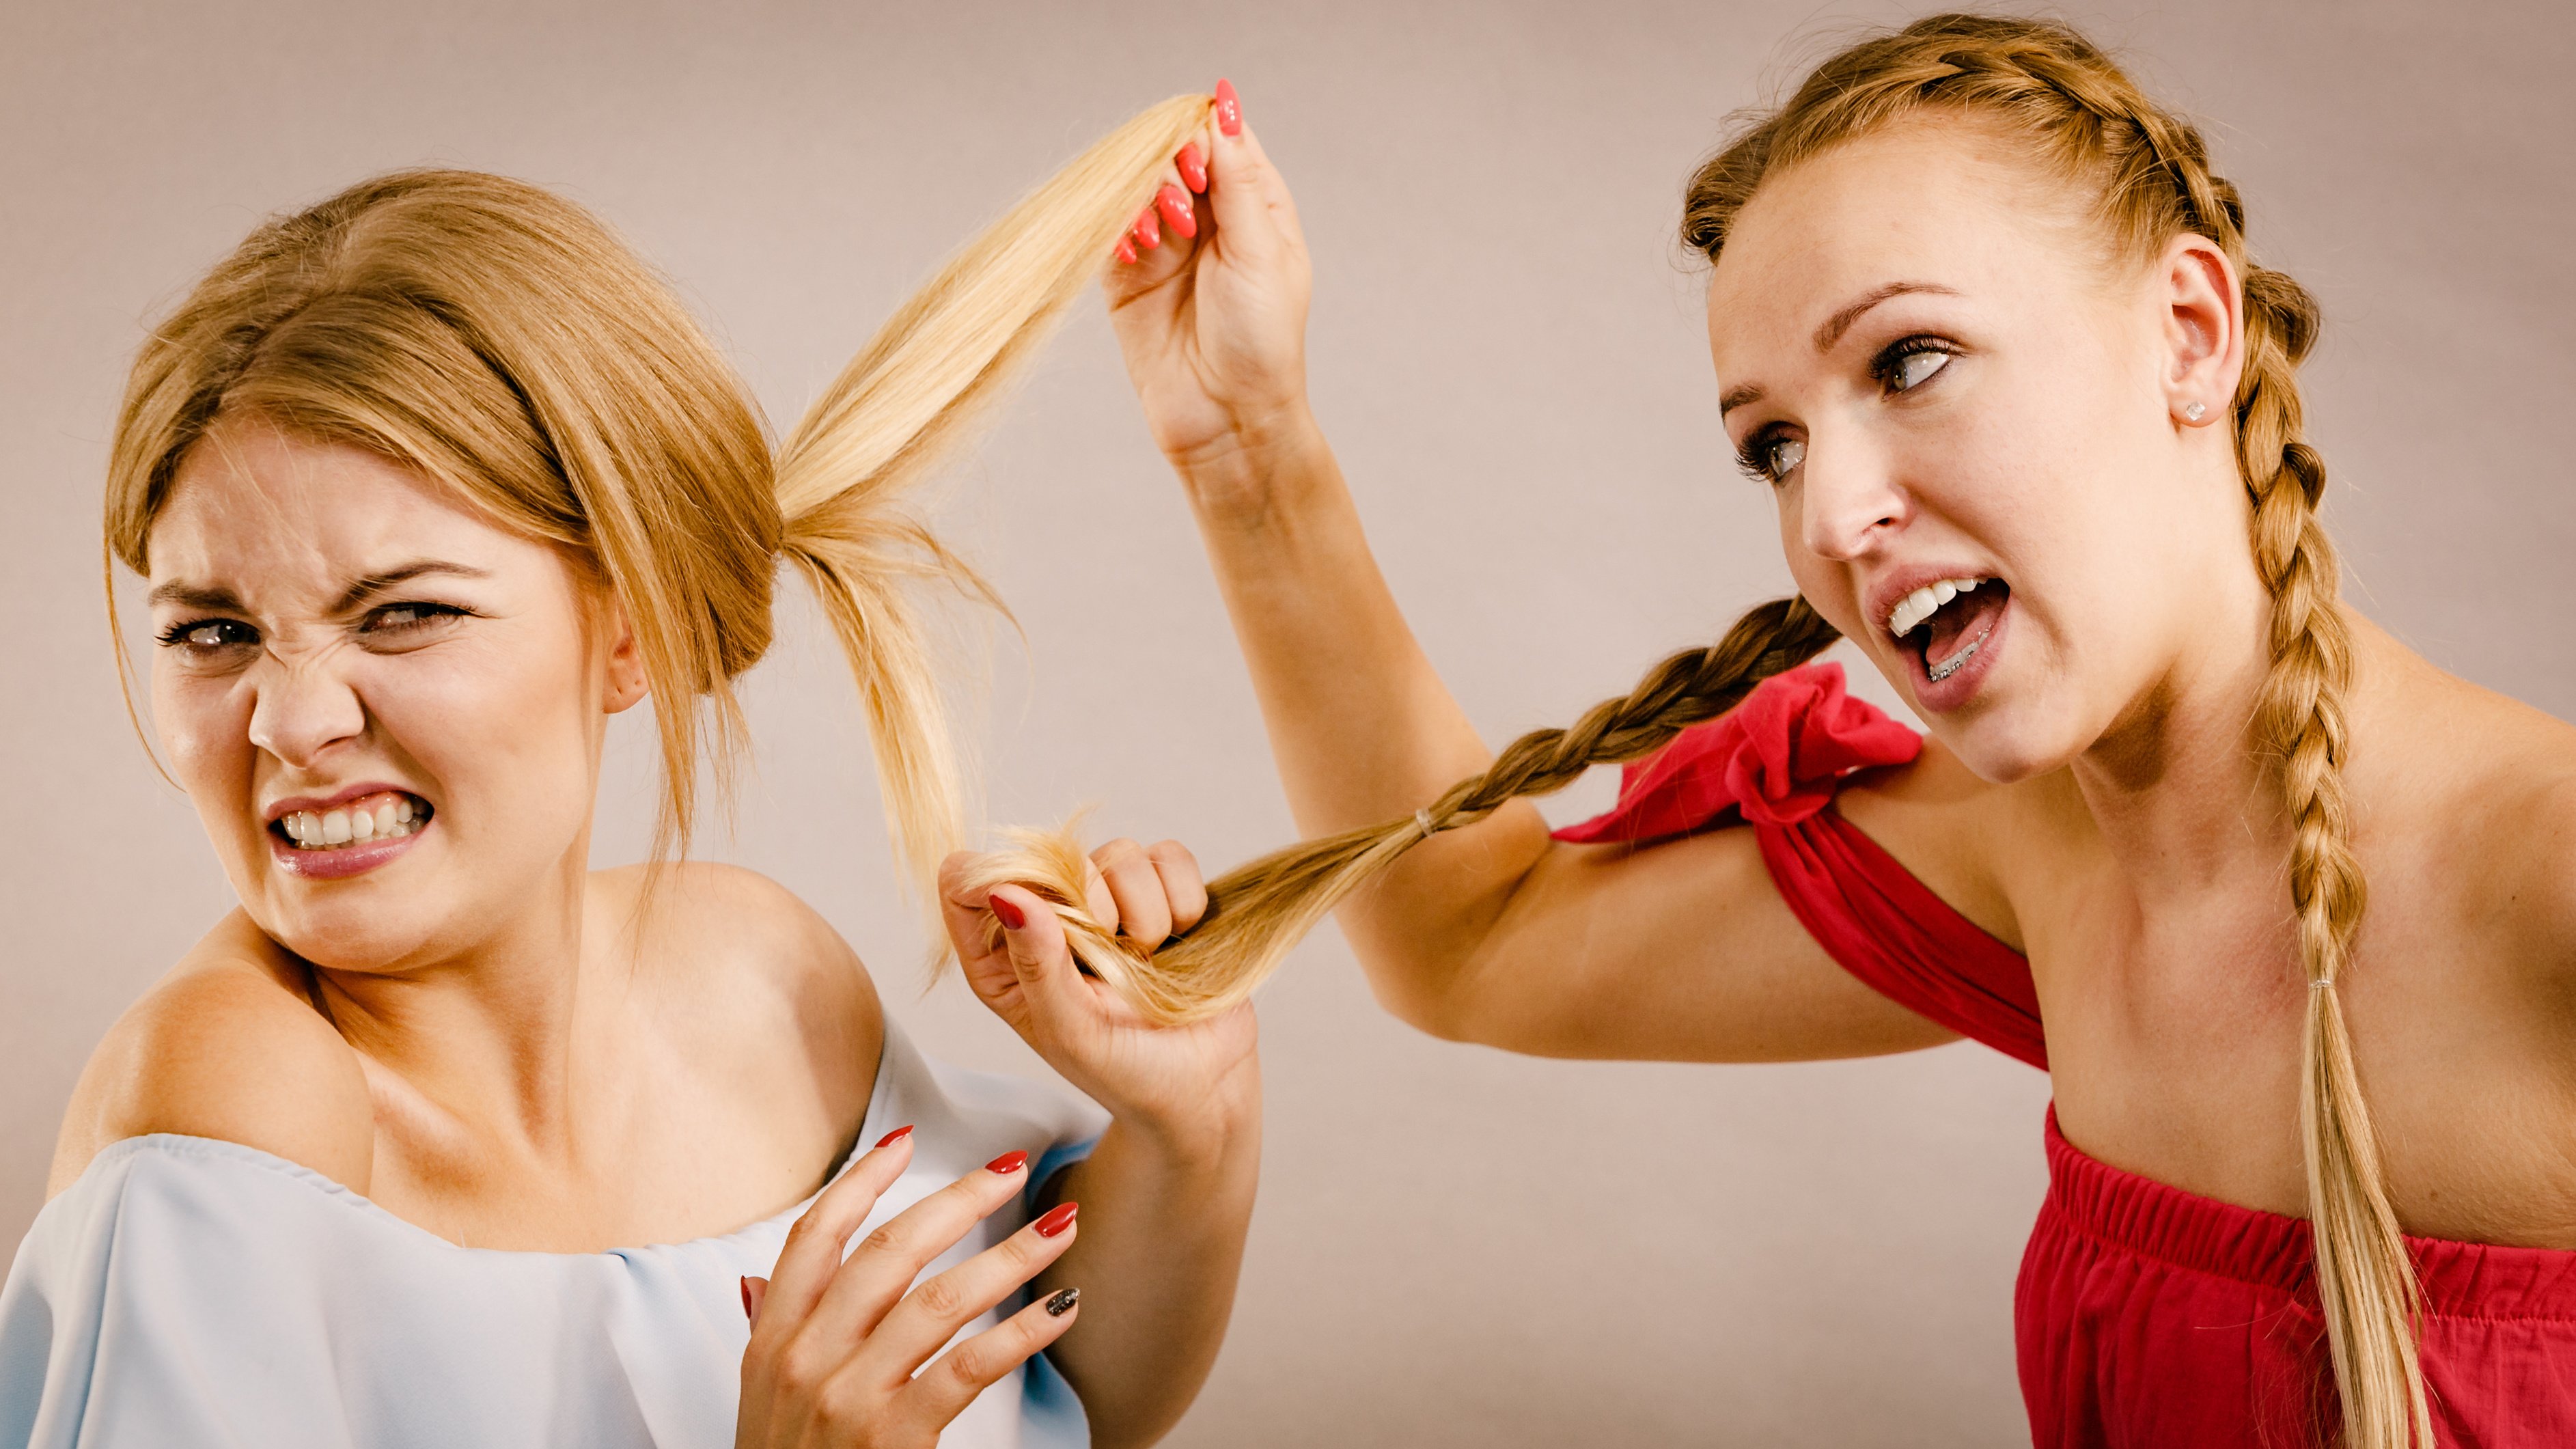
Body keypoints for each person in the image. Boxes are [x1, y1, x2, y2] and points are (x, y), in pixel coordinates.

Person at [1046, 23, 2576, 1449]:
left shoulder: (2548, 881)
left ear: (2188, 331)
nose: (1831, 517)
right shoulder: (2037, 855)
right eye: (1770, 446)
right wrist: (1246, 445)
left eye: (1907, 362)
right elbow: (1474, 940)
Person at [0, 96, 1258, 1449]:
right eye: (212, 631)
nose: (288, 721)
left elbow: (1059, 1396)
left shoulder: (759, 972)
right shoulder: (234, 1100)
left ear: (629, 627)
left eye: (403, 611)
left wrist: (1190, 1122)